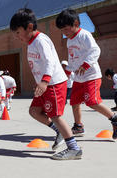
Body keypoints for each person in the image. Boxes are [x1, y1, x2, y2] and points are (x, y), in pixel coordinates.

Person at [10, 8, 82, 160]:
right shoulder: (31, 43)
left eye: (17, 32)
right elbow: (38, 65)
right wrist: (39, 82)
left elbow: (49, 62)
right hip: (44, 84)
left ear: (29, 27)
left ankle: (74, 148)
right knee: (34, 111)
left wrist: (44, 81)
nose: (17, 37)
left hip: (53, 83)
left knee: (55, 115)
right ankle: (59, 132)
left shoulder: (40, 40)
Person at [56, 9, 117, 140]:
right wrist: (67, 72)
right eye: (62, 31)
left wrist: (85, 65)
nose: (64, 33)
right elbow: (71, 58)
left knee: (92, 101)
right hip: (78, 78)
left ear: (76, 23)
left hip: (91, 76)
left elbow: (95, 50)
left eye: (66, 29)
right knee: (75, 102)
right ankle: (78, 126)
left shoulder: (84, 35)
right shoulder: (69, 41)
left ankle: (114, 118)